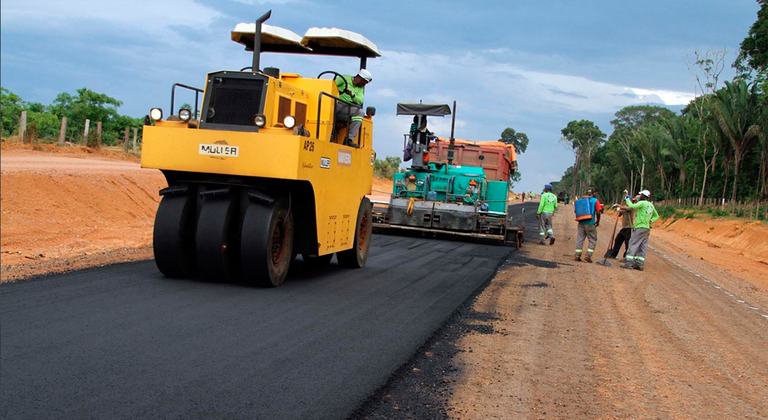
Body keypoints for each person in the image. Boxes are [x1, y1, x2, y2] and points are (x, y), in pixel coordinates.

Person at [621, 189, 659, 271]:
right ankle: (639, 264)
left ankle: (628, 263)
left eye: (640, 195)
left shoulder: (642, 203)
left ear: (643, 196)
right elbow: (656, 216)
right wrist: (650, 221)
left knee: (633, 243)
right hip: (646, 228)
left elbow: (631, 206)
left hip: (640, 227)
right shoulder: (651, 205)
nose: (639, 196)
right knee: (642, 246)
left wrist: (627, 198)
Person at [335, 69, 372, 148]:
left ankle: (348, 139)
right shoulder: (343, 78)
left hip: (347, 107)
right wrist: (339, 90)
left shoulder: (360, 88)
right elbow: (331, 85)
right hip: (335, 102)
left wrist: (352, 95)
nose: (365, 84)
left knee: (360, 112)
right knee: (328, 109)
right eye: (365, 82)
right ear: (360, 78)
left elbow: (360, 100)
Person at [574, 188, 603, 263]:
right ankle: (588, 256)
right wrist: (598, 221)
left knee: (580, 239)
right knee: (593, 239)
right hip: (590, 222)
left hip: (581, 222)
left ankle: (577, 256)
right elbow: (598, 212)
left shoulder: (581, 200)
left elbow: (575, 211)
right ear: (594, 193)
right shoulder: (595, 200)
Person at [607, 193, 636, 259]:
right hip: (624, 228)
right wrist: (619, 211)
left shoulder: (632, 207)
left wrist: (618, 205)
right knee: (618, 239)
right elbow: (620, 214)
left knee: (628, 243)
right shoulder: (625, 207)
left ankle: (627, 256)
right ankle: (613, 254)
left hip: (629, 227)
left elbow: (625, 208)